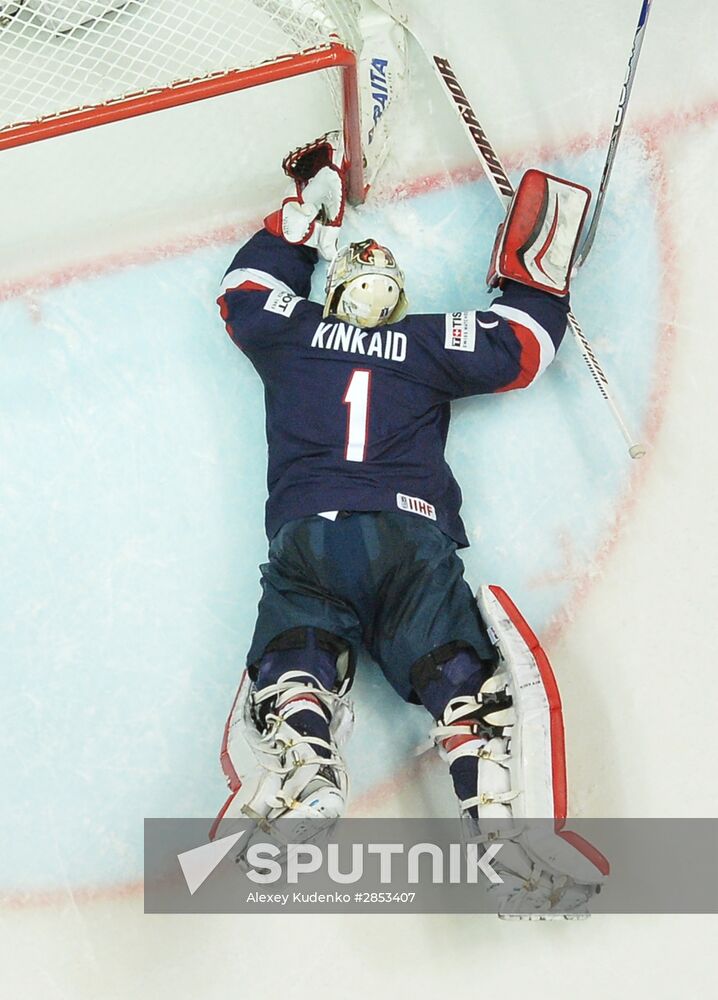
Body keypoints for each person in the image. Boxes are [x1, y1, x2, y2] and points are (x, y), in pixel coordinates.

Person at [212, 133, 608, 915]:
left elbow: (243, 292)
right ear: (394, 299)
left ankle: (305, 739)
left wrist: (301, 220)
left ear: (335, 295)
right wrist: (535, 270)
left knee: (297, 643)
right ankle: (496, 819)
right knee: (457, 680)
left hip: (310, 533)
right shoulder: (424, 343)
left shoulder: (291, 334)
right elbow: (524, 346)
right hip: (408, 535)